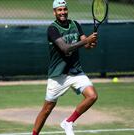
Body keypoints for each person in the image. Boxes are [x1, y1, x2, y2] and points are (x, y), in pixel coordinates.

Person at [32, 0, 98, 135]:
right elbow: (65, 49)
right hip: (58, 75)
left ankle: (68, 122)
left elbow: (85, 44)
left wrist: (90, 43)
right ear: (54, 12)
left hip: (75, 71)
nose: (62, 12)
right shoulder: (52, 29)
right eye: (59, 10)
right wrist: (86, 41)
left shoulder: (75, 24)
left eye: (64, 9)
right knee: (47, 109)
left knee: (92, 96)